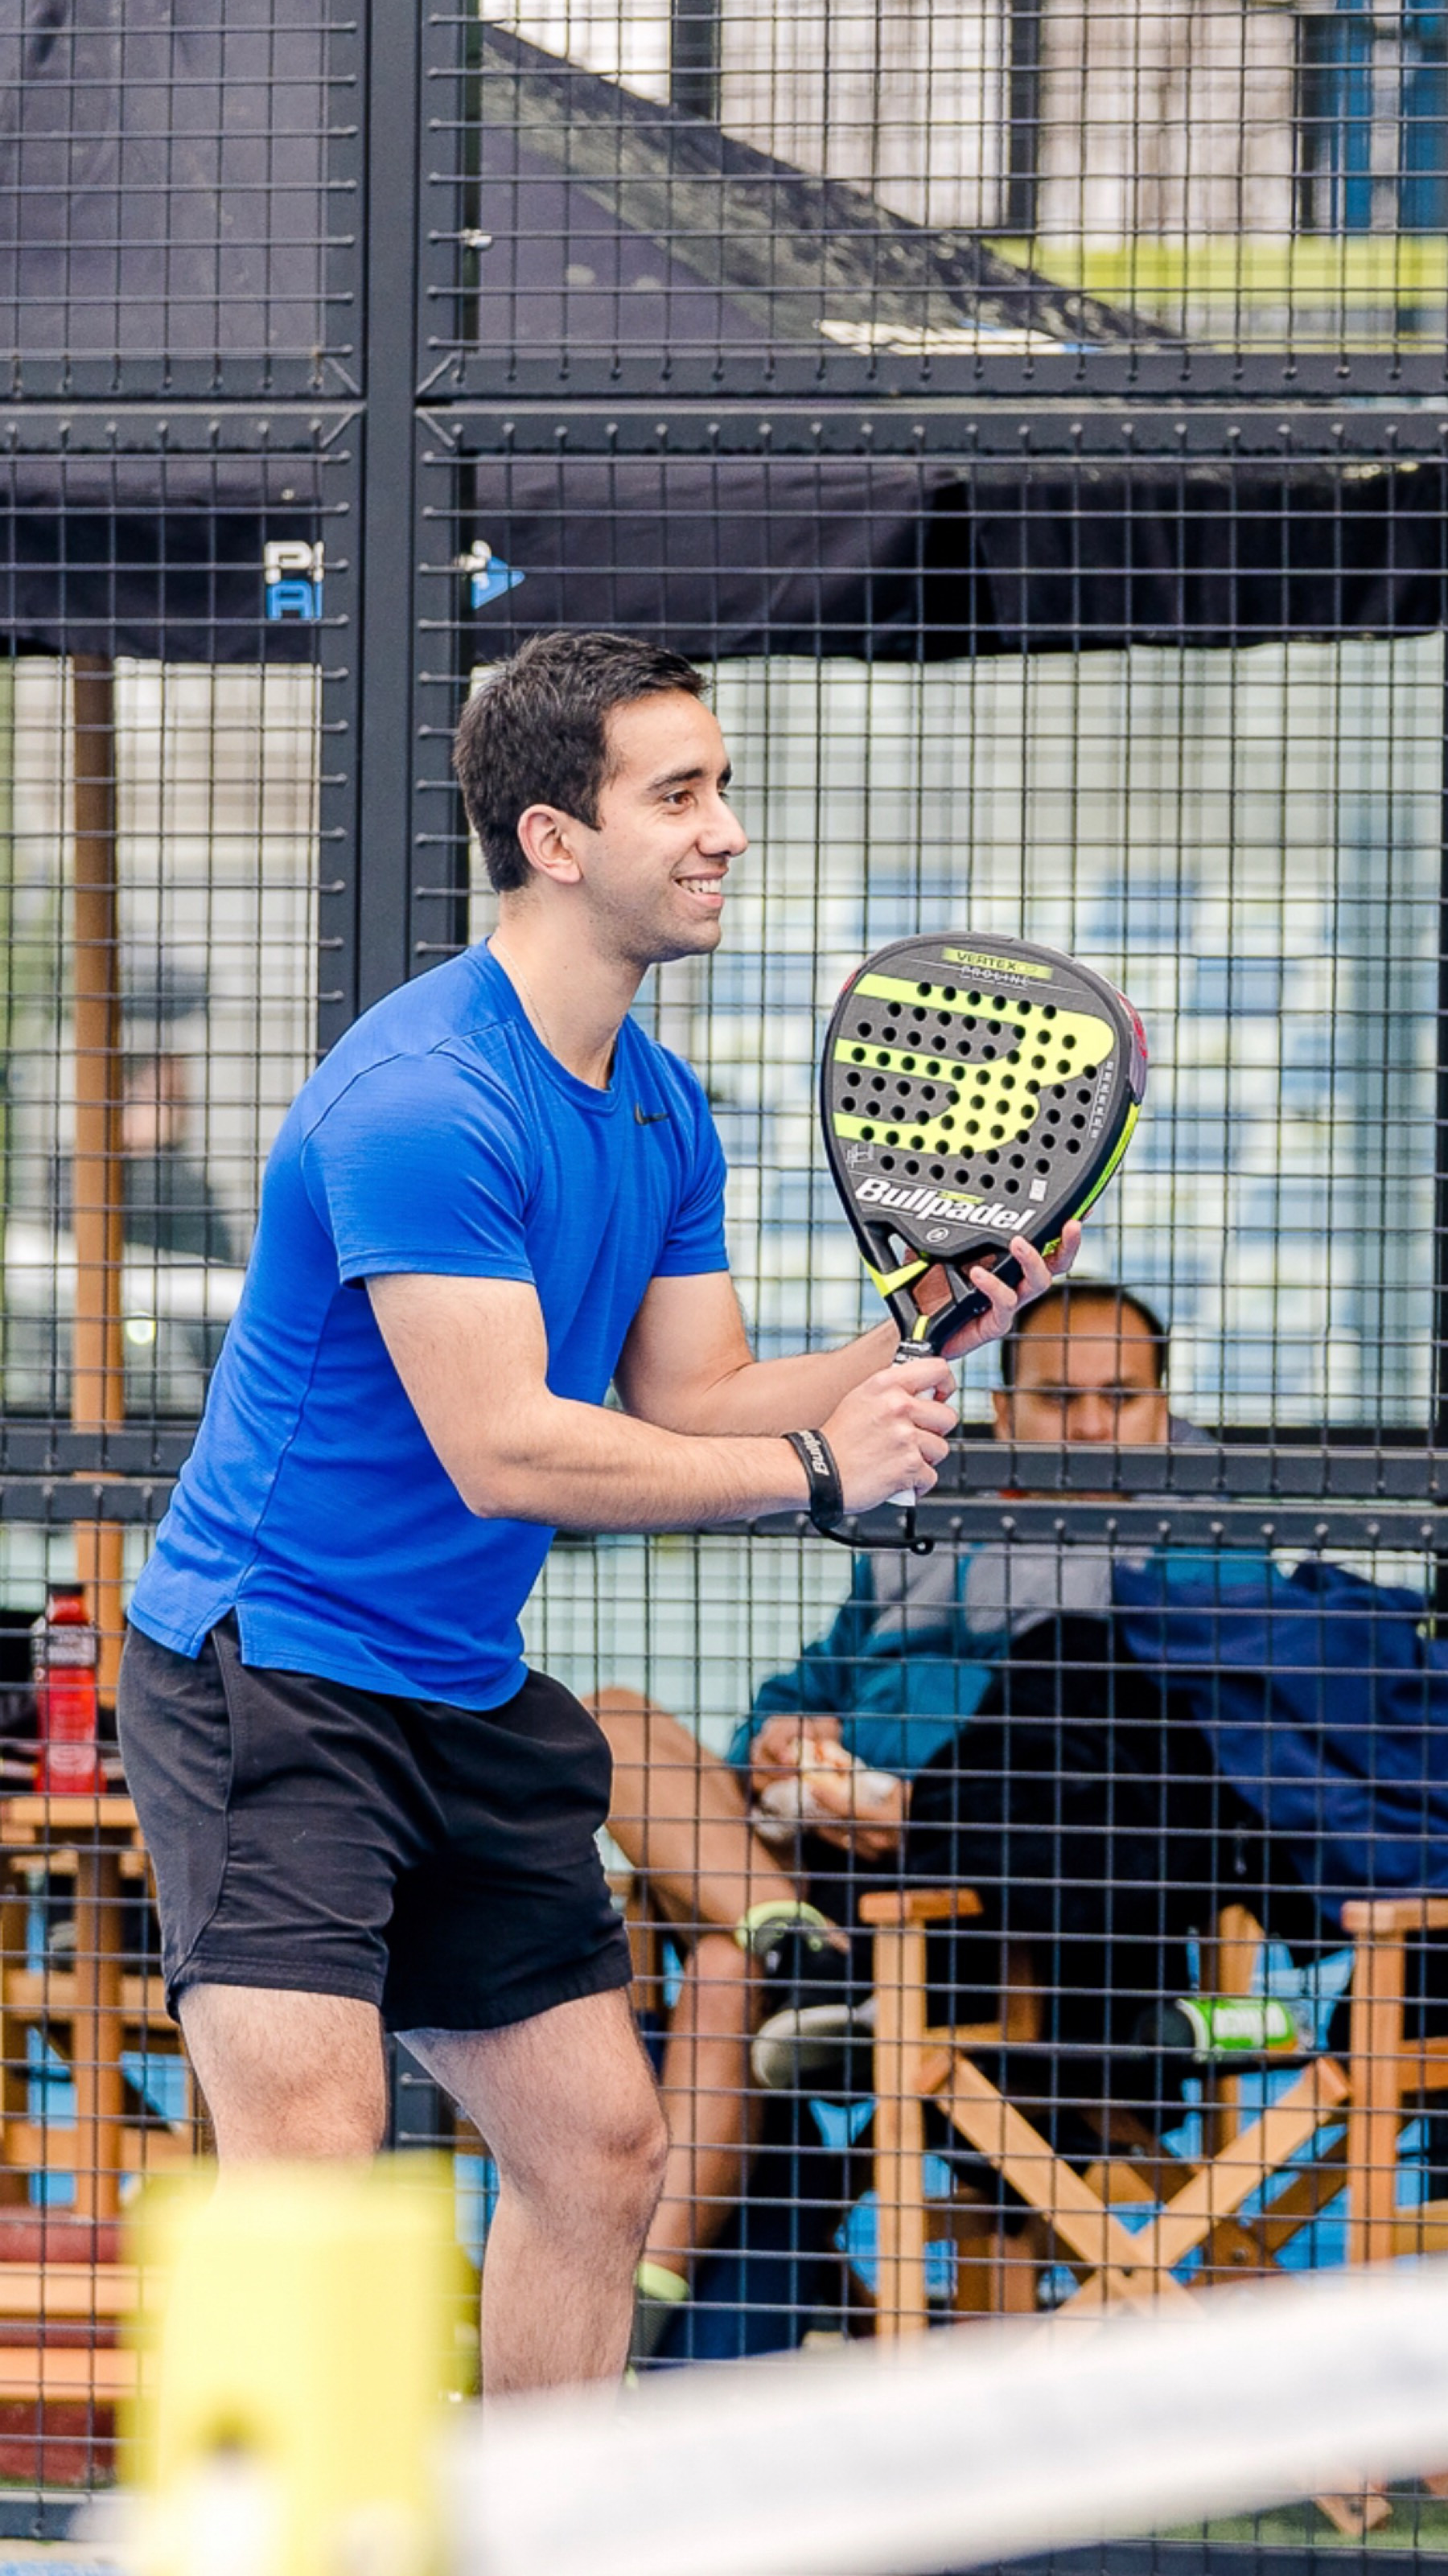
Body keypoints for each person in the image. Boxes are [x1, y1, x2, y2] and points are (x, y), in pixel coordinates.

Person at [115, 630, 1076, 2396]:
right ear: (555, 839)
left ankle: (535, 2520)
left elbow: (695, 1396)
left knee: (600, 2152)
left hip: (455, 1684)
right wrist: (820, 1473)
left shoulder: (658, 1104)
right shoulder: (425, 1101)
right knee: (313, 2173)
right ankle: (296, 2523)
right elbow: (509, 1450)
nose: (726, 832)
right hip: (270, 1679)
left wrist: (923, 1333)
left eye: (724, 789)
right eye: (679, 795)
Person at [605, 1278, 1178, 2354]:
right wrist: (781, 1742)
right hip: (814, 1854)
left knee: (725, 1961)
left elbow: (1139, 1782)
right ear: (1004, 1410)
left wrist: (907, 1806)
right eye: (1060, 1399)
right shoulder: (921, 1510)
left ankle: (637, 2310)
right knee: (609, 1721)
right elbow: (811, 1682)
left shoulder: (1190, 1560)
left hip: (980, 1896)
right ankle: (784, 1930)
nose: (1092, 1425)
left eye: (1121, 1398)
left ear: (1164, 1408)